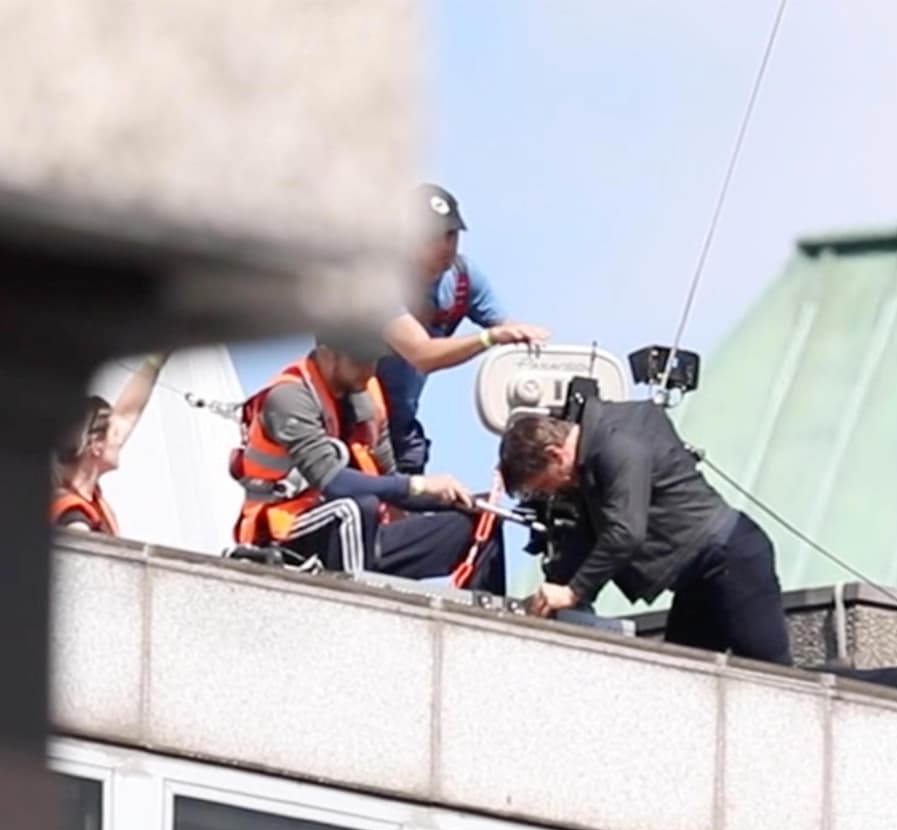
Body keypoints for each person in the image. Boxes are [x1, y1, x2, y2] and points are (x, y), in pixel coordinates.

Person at [497, 399, 897, 700]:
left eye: (547, 484)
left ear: (557, 455)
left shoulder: (616, 447)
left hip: (730, 559)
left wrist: (573, 592)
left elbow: (625, 533)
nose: (556, 492)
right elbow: (589, 535)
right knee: (681, 683)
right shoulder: (595, 454)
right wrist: (556, 589)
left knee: (781, 686)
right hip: (699, 574)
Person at [231, 332, 506, 593]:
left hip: (361, 533)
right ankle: (359, 610)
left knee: (482, 520)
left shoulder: (367, 396)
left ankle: (491, 624)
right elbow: (334, 482)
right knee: (357, 507)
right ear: (327, 354)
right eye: (359, 361)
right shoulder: (289, 397)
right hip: (285, 530)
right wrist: (421, 485)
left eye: (374, 360)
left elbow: (391, 483)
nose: (369, 370)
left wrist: (449, 498)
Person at [378, 183, 550, 474]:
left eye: (451, 234)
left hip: (401, 431)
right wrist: (488, 338)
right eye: (433, 237)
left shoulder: (463, 280)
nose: (446, 246)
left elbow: (510, 335)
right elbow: (422, 354)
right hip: (351, 424)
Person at [50, 353, 169, 535]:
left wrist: (155, 362)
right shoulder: (71, 514)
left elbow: (126, 413)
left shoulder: (85, 498)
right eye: (114, 434)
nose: (120, 438)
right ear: (95, 447)